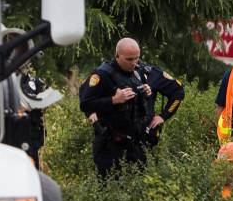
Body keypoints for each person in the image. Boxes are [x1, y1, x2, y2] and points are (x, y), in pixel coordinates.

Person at [79, 37, 185, 177]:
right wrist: (113, 100)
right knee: (109, 189)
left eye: (137, 58)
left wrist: (158, 110)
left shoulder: (142, 71)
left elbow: (177, 91)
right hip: (111, 145)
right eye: (129, 59)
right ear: (117, 55)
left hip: (138, 145)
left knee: (138, 189)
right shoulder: (102, 74)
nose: (134, 63)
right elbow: (85, 102)